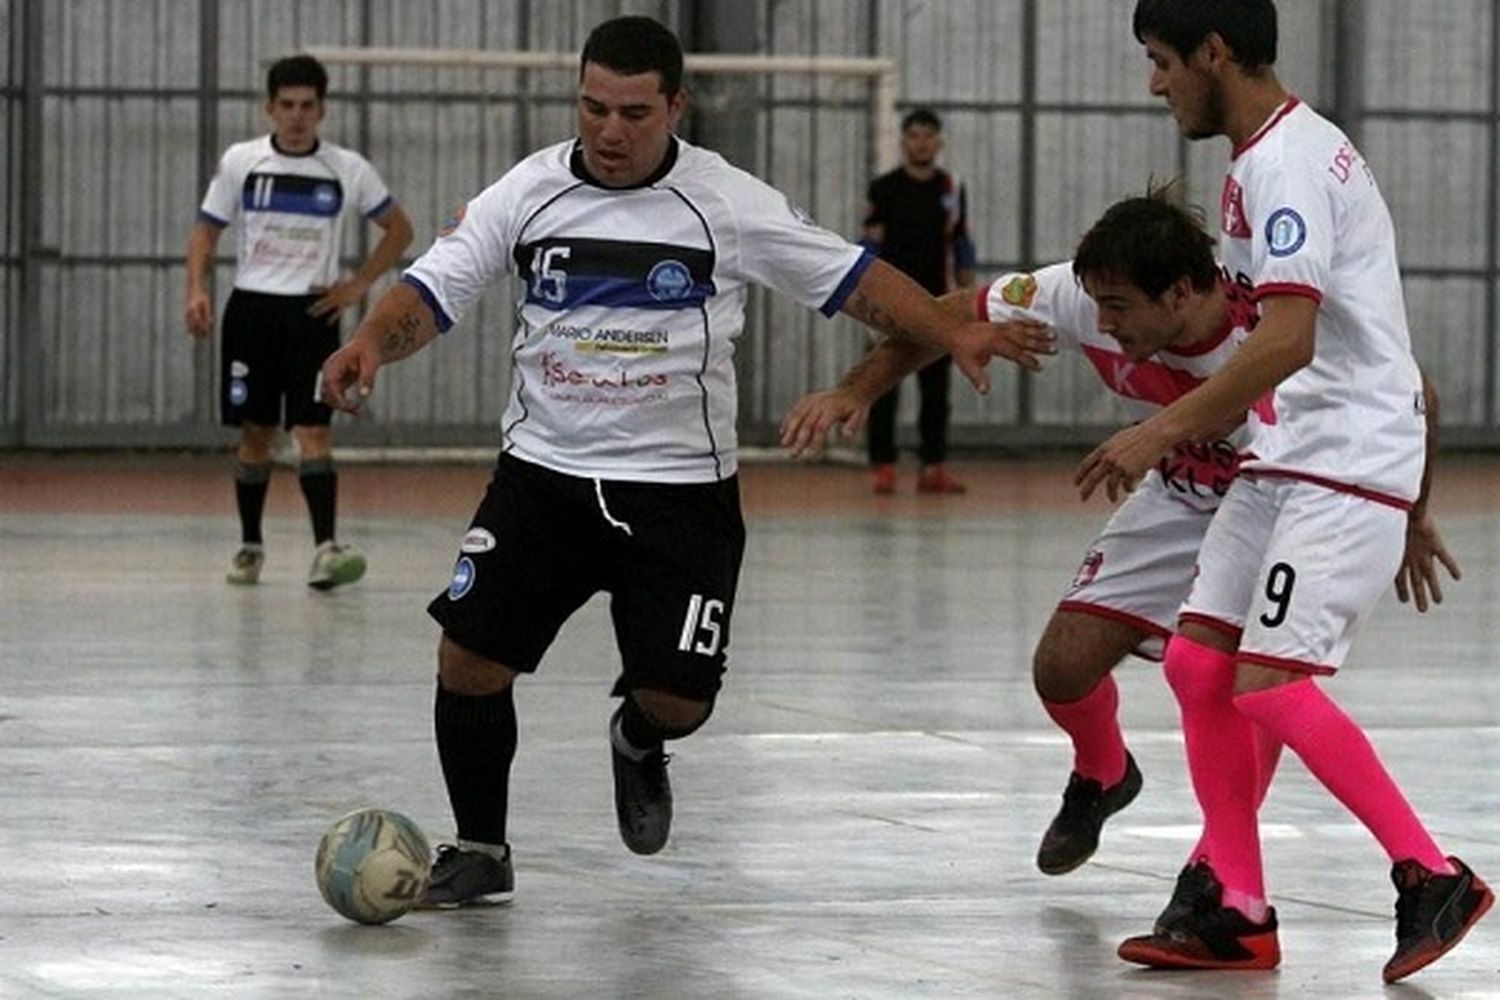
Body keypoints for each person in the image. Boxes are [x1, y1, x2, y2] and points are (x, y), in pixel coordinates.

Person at [316, 15, 1053, 908]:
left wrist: (954, 331)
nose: (610, 131)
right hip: (543, 476)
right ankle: (481, 848)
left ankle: (637, 738)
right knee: (468, 659)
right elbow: (436, 287)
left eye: (634, 112)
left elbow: (855, 278)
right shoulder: (529, 191)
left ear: (676, 106)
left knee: (681, 699)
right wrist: (369, 344)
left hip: (680, 493)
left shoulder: (726, 201)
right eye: (593, 108)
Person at [781, 186, 1458, 890]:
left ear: (1183, 293)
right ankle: (1103, 772)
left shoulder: (1272, 326)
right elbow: (947, 317)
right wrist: (855, 391)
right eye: (1096, 305)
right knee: (1061, 669)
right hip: (1176, 494)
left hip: (1273, 507)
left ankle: (1220, 875)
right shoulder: (1082, 296)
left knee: (1239, 684)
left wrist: (1412, 514)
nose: (1101, 324)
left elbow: (1416, 394)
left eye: (1120, 309)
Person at [1072, 0, 1491, 982]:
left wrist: (1162, 427)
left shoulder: (1291, 162)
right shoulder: (1254, 162)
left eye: (1162, 60)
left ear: (1214, 52)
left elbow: (1289, 337)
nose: (1155, 82)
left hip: (1342, 456)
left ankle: (1434, 874)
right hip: (1288, 450)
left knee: (1269, 682)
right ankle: (1239, 908)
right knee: (1194, 665)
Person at [185, 53, 413, 589]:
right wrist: (195, 289)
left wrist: (357, 285)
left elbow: (399, 230)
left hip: (312, 315)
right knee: (256, 433)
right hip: (252, 310)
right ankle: (250, 545)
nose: (296, 116)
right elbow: (205, 231)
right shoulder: (242, 162)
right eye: (286, 105)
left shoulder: (346, 168)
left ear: (322, 109)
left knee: (313, 430)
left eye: (307, 106)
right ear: (269, 108)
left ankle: (326, 549)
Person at [862, 108, 976, 495]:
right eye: (914, 135)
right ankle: (883, 466)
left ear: (938, 142)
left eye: (928, 136)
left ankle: (933, 467)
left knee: (936, 389)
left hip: (938, 303)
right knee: (882, 382)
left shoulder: (951, 187)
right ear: (903, 140)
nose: (921, 143)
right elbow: (870, 245)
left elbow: (960, 242)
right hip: (889, 305)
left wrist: (967, 294)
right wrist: (865, 299)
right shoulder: (884, 188)